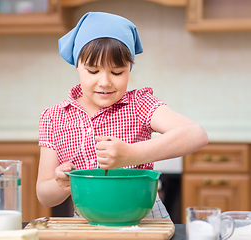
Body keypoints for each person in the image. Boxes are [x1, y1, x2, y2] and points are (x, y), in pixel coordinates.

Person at [36, 12, 208, 219]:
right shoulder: (54, 117)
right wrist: (61, 184)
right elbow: (44, 195)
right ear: (77, 65)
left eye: (117, 72)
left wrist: (130, 154)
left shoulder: (139, 104)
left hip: (146, 218)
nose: (105, 82)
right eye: (93, 71)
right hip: (89, 221)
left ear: (129, 68)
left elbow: (196, 134)